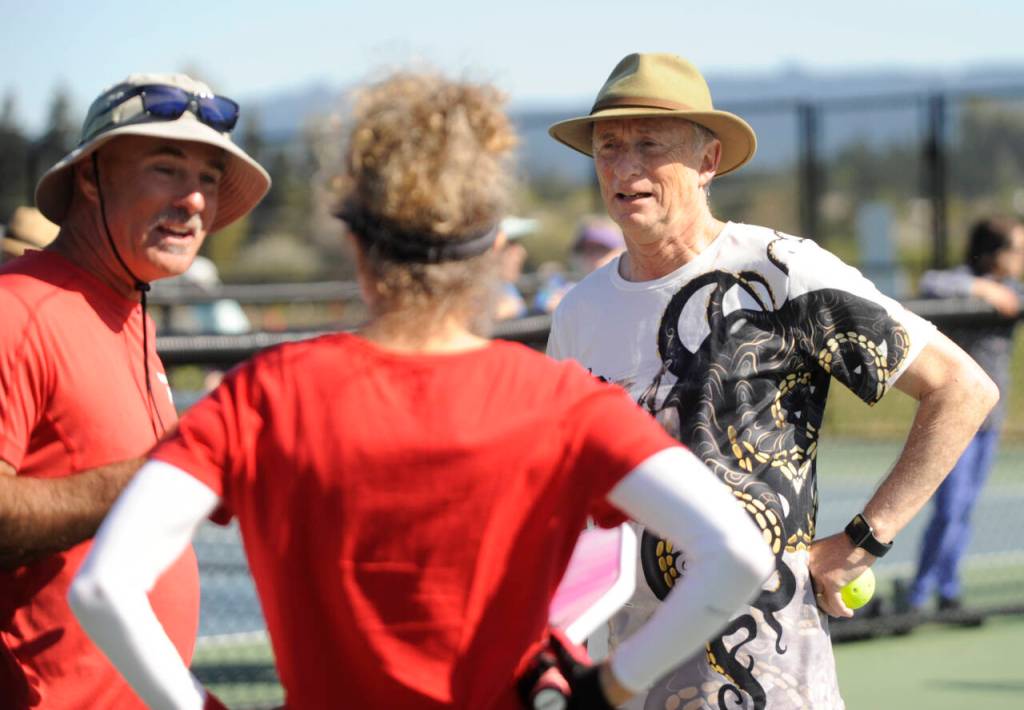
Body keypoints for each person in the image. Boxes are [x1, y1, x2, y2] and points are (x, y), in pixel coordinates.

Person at [68, 70, 774, 710]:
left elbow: (103, 589)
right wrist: (608, 688)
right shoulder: (564, 404)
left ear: (353, 238)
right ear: (490, 244)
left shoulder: (264, 396)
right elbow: (737, 553)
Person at [545, 52, 998, 709]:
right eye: (609, 146)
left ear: (708, 162)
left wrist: (865, 540)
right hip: (626, 671)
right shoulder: (578, 312)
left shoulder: (779, 272)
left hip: (763, 669)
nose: (625, 166)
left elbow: (962, 388)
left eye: (650, 144)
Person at [0, 74, 269, 708]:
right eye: (166, 168)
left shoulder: (124, 307)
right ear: (91, 178)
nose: (196, 200)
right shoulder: (18, 309)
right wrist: (182, 468)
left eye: (208, 178)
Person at [907, 216, 1024, 613]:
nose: (1021, 258)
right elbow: (930, 285)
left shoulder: (1014, 290)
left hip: (990, 422)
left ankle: (948, 589)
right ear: (993, 253)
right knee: (950, 508)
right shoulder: (962, 282)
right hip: (954, 421)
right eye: (1016, 250)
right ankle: (918, 594)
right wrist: (981, 288)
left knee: (966, 507)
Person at [534, 216, 625, 314]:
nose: (591, 257)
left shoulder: (635, 288)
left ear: (624, 249)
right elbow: (542, 301)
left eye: (601, 249)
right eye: (584, 250)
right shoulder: (569, 289)